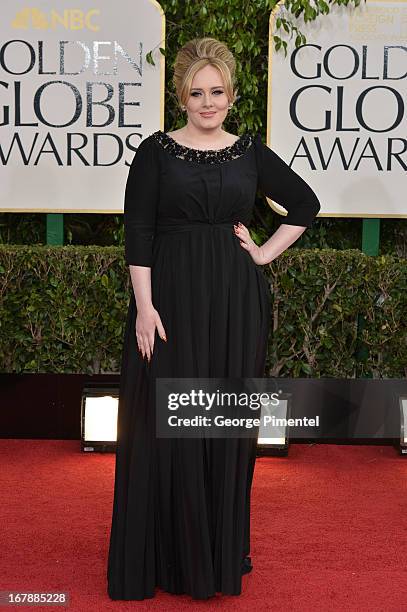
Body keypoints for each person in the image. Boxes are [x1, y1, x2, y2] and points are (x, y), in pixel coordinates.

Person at [107, 36, 320, 601]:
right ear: (181, 95)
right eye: (197, 92)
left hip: (234, 301)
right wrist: (145, 307)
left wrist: (263, 253)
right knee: (166, 420)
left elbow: (305, 204)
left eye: (217, 92)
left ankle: (218, 554)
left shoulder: (249, 152)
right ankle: (169, 556)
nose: (208, 103)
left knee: (221, 424)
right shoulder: (155, 152)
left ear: (230, 94)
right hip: (169, 298)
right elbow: (139, 233)